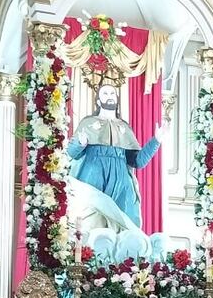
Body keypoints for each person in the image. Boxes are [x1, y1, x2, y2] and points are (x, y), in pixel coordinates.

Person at [67, 83, 161, 229]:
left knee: (123, 225)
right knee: (92, 223)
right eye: (105, 93)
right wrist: (80, 143)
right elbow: (71, 153)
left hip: (120, 184)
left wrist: (156, 141)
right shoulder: (88, 123)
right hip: (93, 178)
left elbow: (138, 161)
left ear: (117, 99)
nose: (109, 96)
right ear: (98, 101)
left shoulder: (124, 127)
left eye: (112, 93)